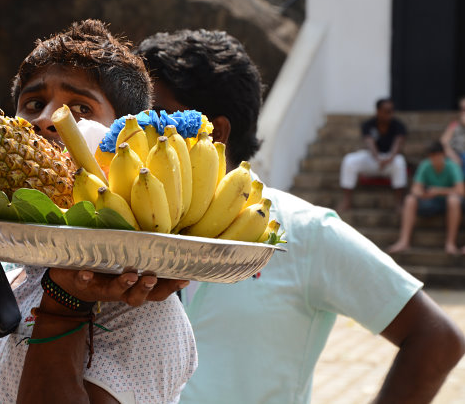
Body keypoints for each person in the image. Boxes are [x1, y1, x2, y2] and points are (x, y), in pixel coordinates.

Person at [135, 29, 465, 404]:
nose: (138, 131)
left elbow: (437, 339)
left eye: (155, 117)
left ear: (214, 133)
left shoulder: (304, 233)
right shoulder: (119, 227)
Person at [0, 20, 196, 404]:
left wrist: (65, 304)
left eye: (80, 108)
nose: (47, 119)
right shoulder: (6, 277)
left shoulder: (138, 312)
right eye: (33, 104)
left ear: (123, 142)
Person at [387, 141, 465, 255]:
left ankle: (450, 243)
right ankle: (404, 241)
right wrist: (423, 193)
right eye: (432, 156)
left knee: (453, 200)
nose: (434, 159)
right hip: (430, 202)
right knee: (410, 199)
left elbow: (460, 190)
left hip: (450, 202)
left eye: (436, 155)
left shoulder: (452, 166)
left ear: (443, 154)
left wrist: (439, 191)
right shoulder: (426, 165)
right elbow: (415, 188)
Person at [338, 98, 408, 211]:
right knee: (349, 160)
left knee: (400, 162)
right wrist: (377, 158)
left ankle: (398, 203)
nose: (389, 114)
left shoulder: (398, 125)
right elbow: (369, 143)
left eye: (391, 110)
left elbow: (398, 143)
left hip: (390, 159)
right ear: (378, 111)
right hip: (372, 158)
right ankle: (346, 201)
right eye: (386, 111)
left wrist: (389, 159)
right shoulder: (368, 124)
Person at [440, 96, 465, 175]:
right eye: (462, 109)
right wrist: (453, 156)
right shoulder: (454, 125)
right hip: (457, 156)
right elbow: (443, 142)